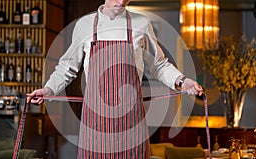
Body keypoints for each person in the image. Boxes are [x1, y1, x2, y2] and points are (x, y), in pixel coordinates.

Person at [26, 0, 203, 158]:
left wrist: (182, 81)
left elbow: (159, 65)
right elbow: (67, 67)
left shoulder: (141, 23)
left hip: (131, 120)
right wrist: (48, 90)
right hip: (95, 119)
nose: (121, 2)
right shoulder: (85, 25)